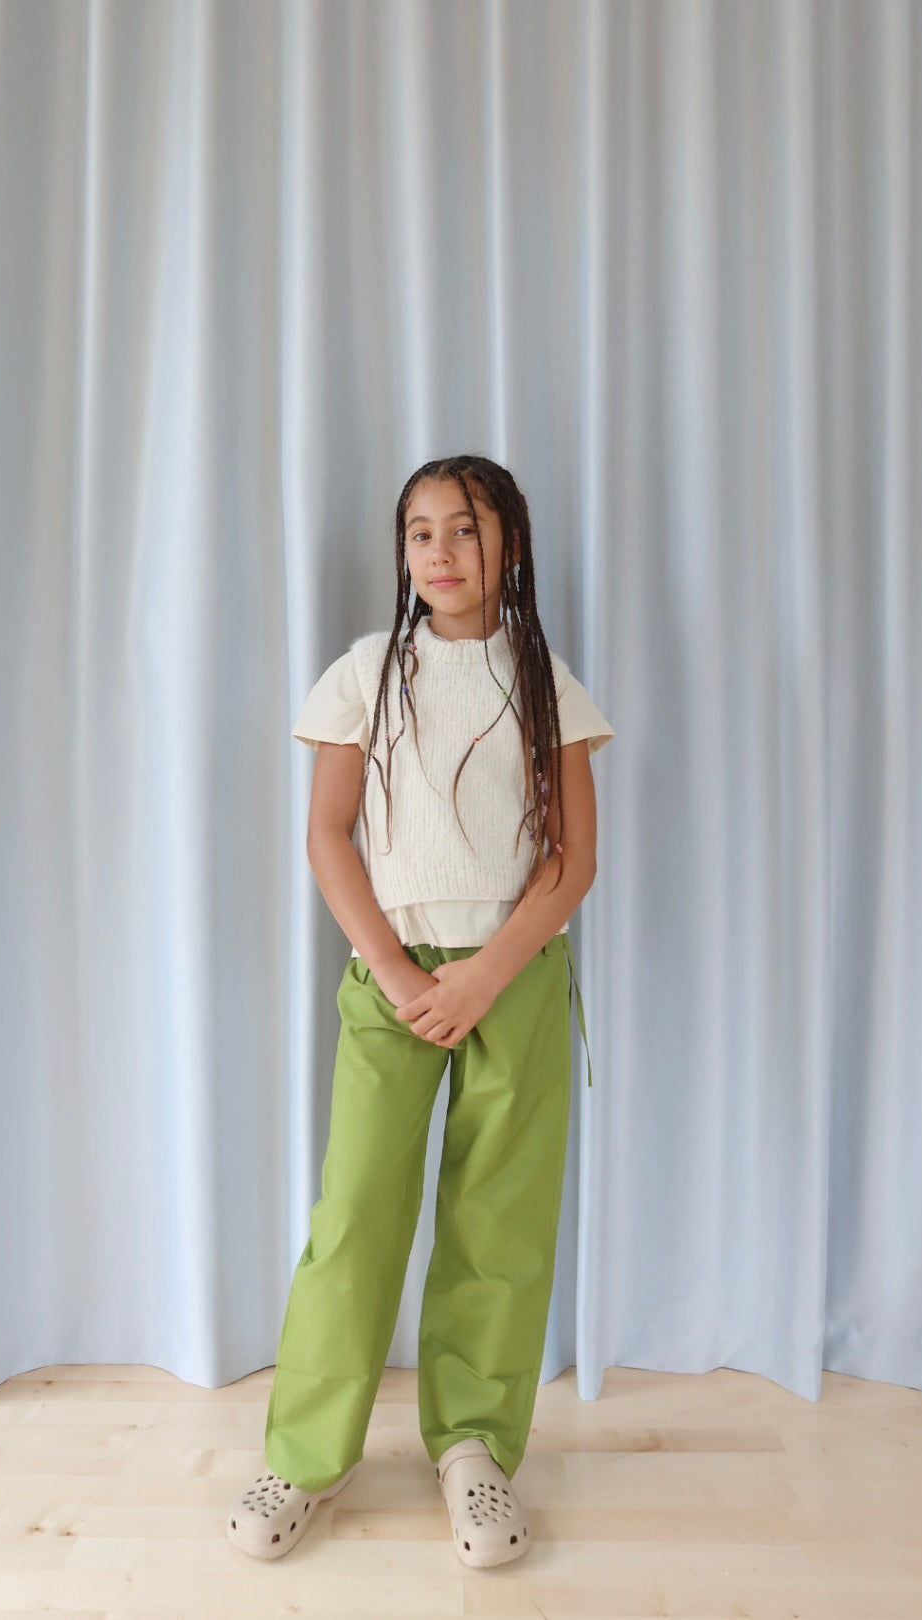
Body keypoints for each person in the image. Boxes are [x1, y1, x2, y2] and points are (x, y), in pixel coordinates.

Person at [227, 454, 614, 1568]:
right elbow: (328, 835)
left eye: (466, 529)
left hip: (515, 979)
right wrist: (398, 974)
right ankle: (308, 1455)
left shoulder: (546, 683)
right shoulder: (364, 674)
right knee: (357, 1212)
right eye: (420, 532)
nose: (440, 552)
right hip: (389, 983)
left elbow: (573, 857)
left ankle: (474, 1448)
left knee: (500, 1220)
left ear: (511, 546)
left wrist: (485, 976)